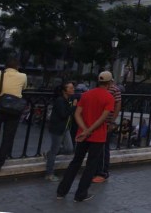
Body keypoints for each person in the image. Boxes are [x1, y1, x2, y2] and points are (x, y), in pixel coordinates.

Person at [56, 71, 115, 202]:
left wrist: (84, 129)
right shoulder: (109, 97)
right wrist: (90, 130)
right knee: (91, 165)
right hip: (98, 136)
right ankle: (81, 194)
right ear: (110, 83)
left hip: (82, 135)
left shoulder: (86, 94)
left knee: (75, 162)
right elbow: (103, 118)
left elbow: (77, 113)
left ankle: (61, 191)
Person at [0, 57, 28, 173]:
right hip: (13, 111)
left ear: (5, 66)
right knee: (7, 138)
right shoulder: (23, 76)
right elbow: (24, 88)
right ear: (17, 67)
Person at [92, 71, 121, 184]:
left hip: (106, 122)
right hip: (98, 122)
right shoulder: (99, 89)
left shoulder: (114, 90)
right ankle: (97, 170)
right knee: (98, 146)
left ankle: (102, 172)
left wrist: (112, 121)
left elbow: (117, 105)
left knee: (104, 147)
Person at [44, 82, 77, 181]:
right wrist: (74, 106)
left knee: (69, 149)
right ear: (64, 91)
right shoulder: (60, 100)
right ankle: (49, 174)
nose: (73, 90)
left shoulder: (68, 99)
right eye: (70, 88)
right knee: (55, 150)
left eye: (73, 88)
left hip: (65, 128)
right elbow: (64, 114)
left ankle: (49, 154)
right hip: (57, 128)